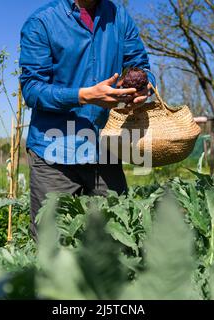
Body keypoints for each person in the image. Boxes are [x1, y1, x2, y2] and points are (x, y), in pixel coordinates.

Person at [19, 0, 155, 239]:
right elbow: (32, 89)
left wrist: (145, 87)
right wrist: (84, 96)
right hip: (54, 154)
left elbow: (141, 66)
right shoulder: (42, 22)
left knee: (114, 240)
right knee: (51, 244)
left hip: (104, 148)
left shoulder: (118, 17)